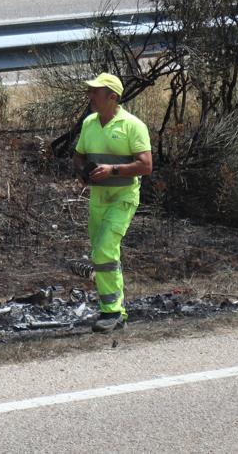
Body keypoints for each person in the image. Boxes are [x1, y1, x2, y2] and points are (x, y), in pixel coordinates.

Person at [72, 73, 152, 333]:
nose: (90, 96)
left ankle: (113, 311)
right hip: (98, 199)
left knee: (105, 248)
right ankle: (115, 310)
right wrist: (84, 173)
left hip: (123, 197)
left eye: (96, 92)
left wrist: (112, 170)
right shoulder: (89, 124)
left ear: (112, 97)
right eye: (90, 91)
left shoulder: (133, 125)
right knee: (101, 255)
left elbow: (146, 165)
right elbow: (79, 156)